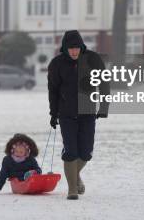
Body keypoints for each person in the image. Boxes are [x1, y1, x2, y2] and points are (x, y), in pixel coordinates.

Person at [48, 30, 110, 200]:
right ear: (65, 48)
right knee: (71, 152)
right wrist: (54, 114)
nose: (74, 51)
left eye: (76, 48)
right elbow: (53, 91)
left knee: (86, 152)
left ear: (81, 46)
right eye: (70, 48)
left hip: (87, 112)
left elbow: (104, 84)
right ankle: (72, 189)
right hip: (66, 113)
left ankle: (75, 176)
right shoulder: (57, 64)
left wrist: (104, 106)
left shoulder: (93, 59)